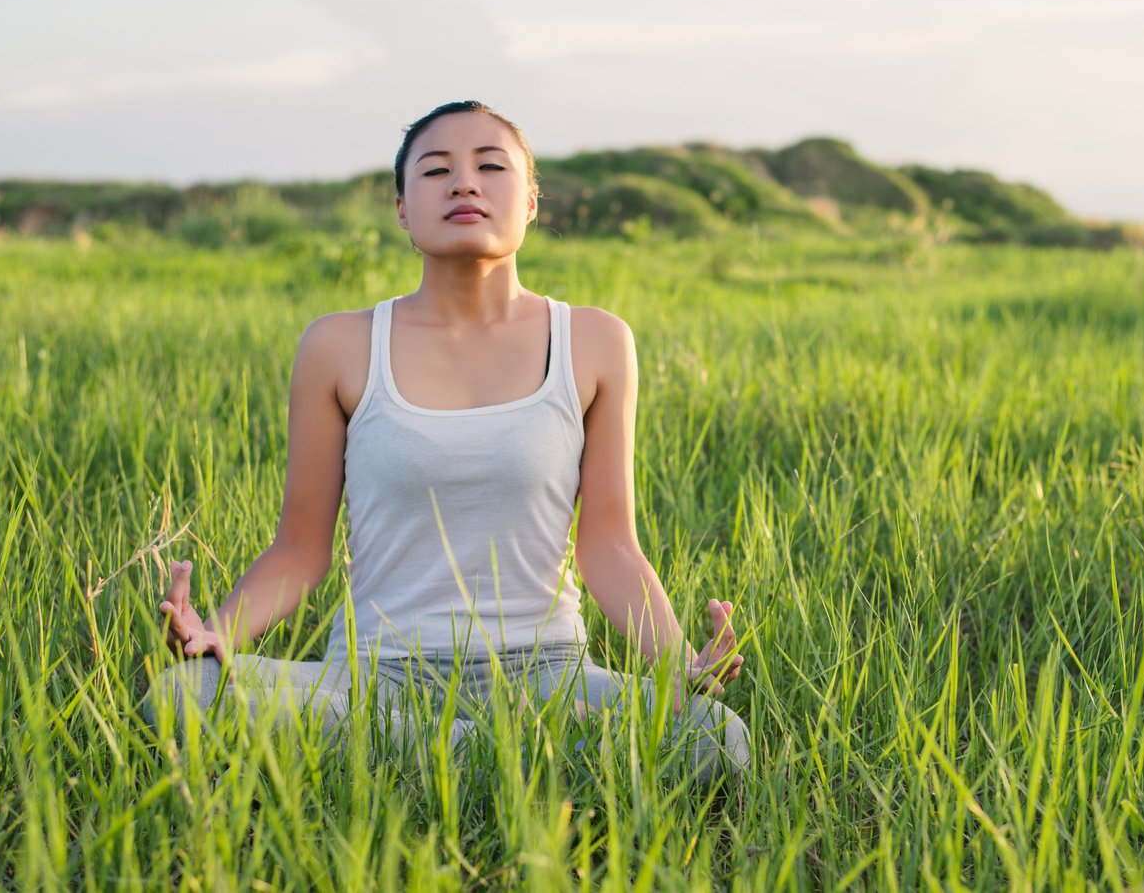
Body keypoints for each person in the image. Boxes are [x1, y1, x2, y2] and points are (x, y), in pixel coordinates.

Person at [144, 101, 749, 780]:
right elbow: (299, 548)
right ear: (403, 209)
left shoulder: (596, 341)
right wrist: (215, 633)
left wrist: (678, 662)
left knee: (715, 738)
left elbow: (609, 544)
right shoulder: (339, 345)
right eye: (436, 171)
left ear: (531, 202)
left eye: (491, 166)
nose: (465, 182)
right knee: (181, 696)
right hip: (377, 677)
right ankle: (503, 762)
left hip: (547, 676)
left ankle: (433, 762)